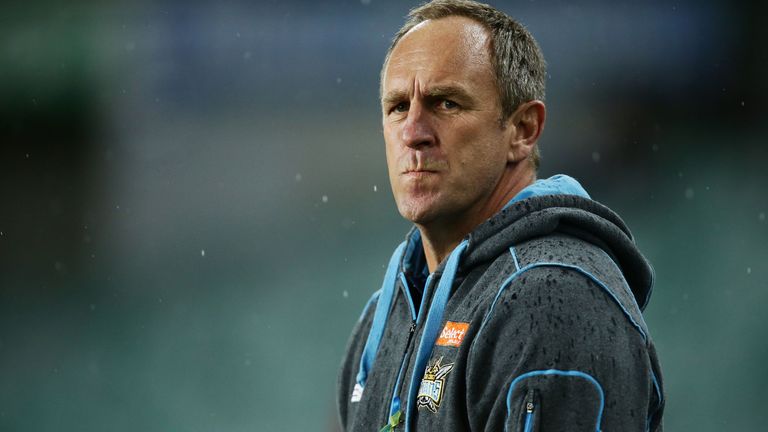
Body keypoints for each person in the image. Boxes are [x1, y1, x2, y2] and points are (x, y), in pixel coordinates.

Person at [337, 1, 664, 431]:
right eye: (398, 106)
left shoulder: (552, 300)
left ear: (523, 130)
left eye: (446, 103)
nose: (413, 133)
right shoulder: (386, 314)